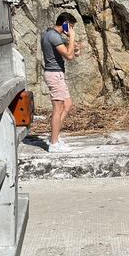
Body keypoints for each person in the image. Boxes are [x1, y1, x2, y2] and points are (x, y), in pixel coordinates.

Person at [41, 12, 80, 153]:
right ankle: (53, 143)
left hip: (57, 74)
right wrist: (72, 38)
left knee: (67, 105)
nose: (71, 30)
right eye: (71, 26)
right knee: (58, 109)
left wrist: (74, 46)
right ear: (65, 24)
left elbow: (70, 52)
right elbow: (69, 56)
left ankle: (54, 136)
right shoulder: (53, 36)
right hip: (54, 74)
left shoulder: (51, 34)